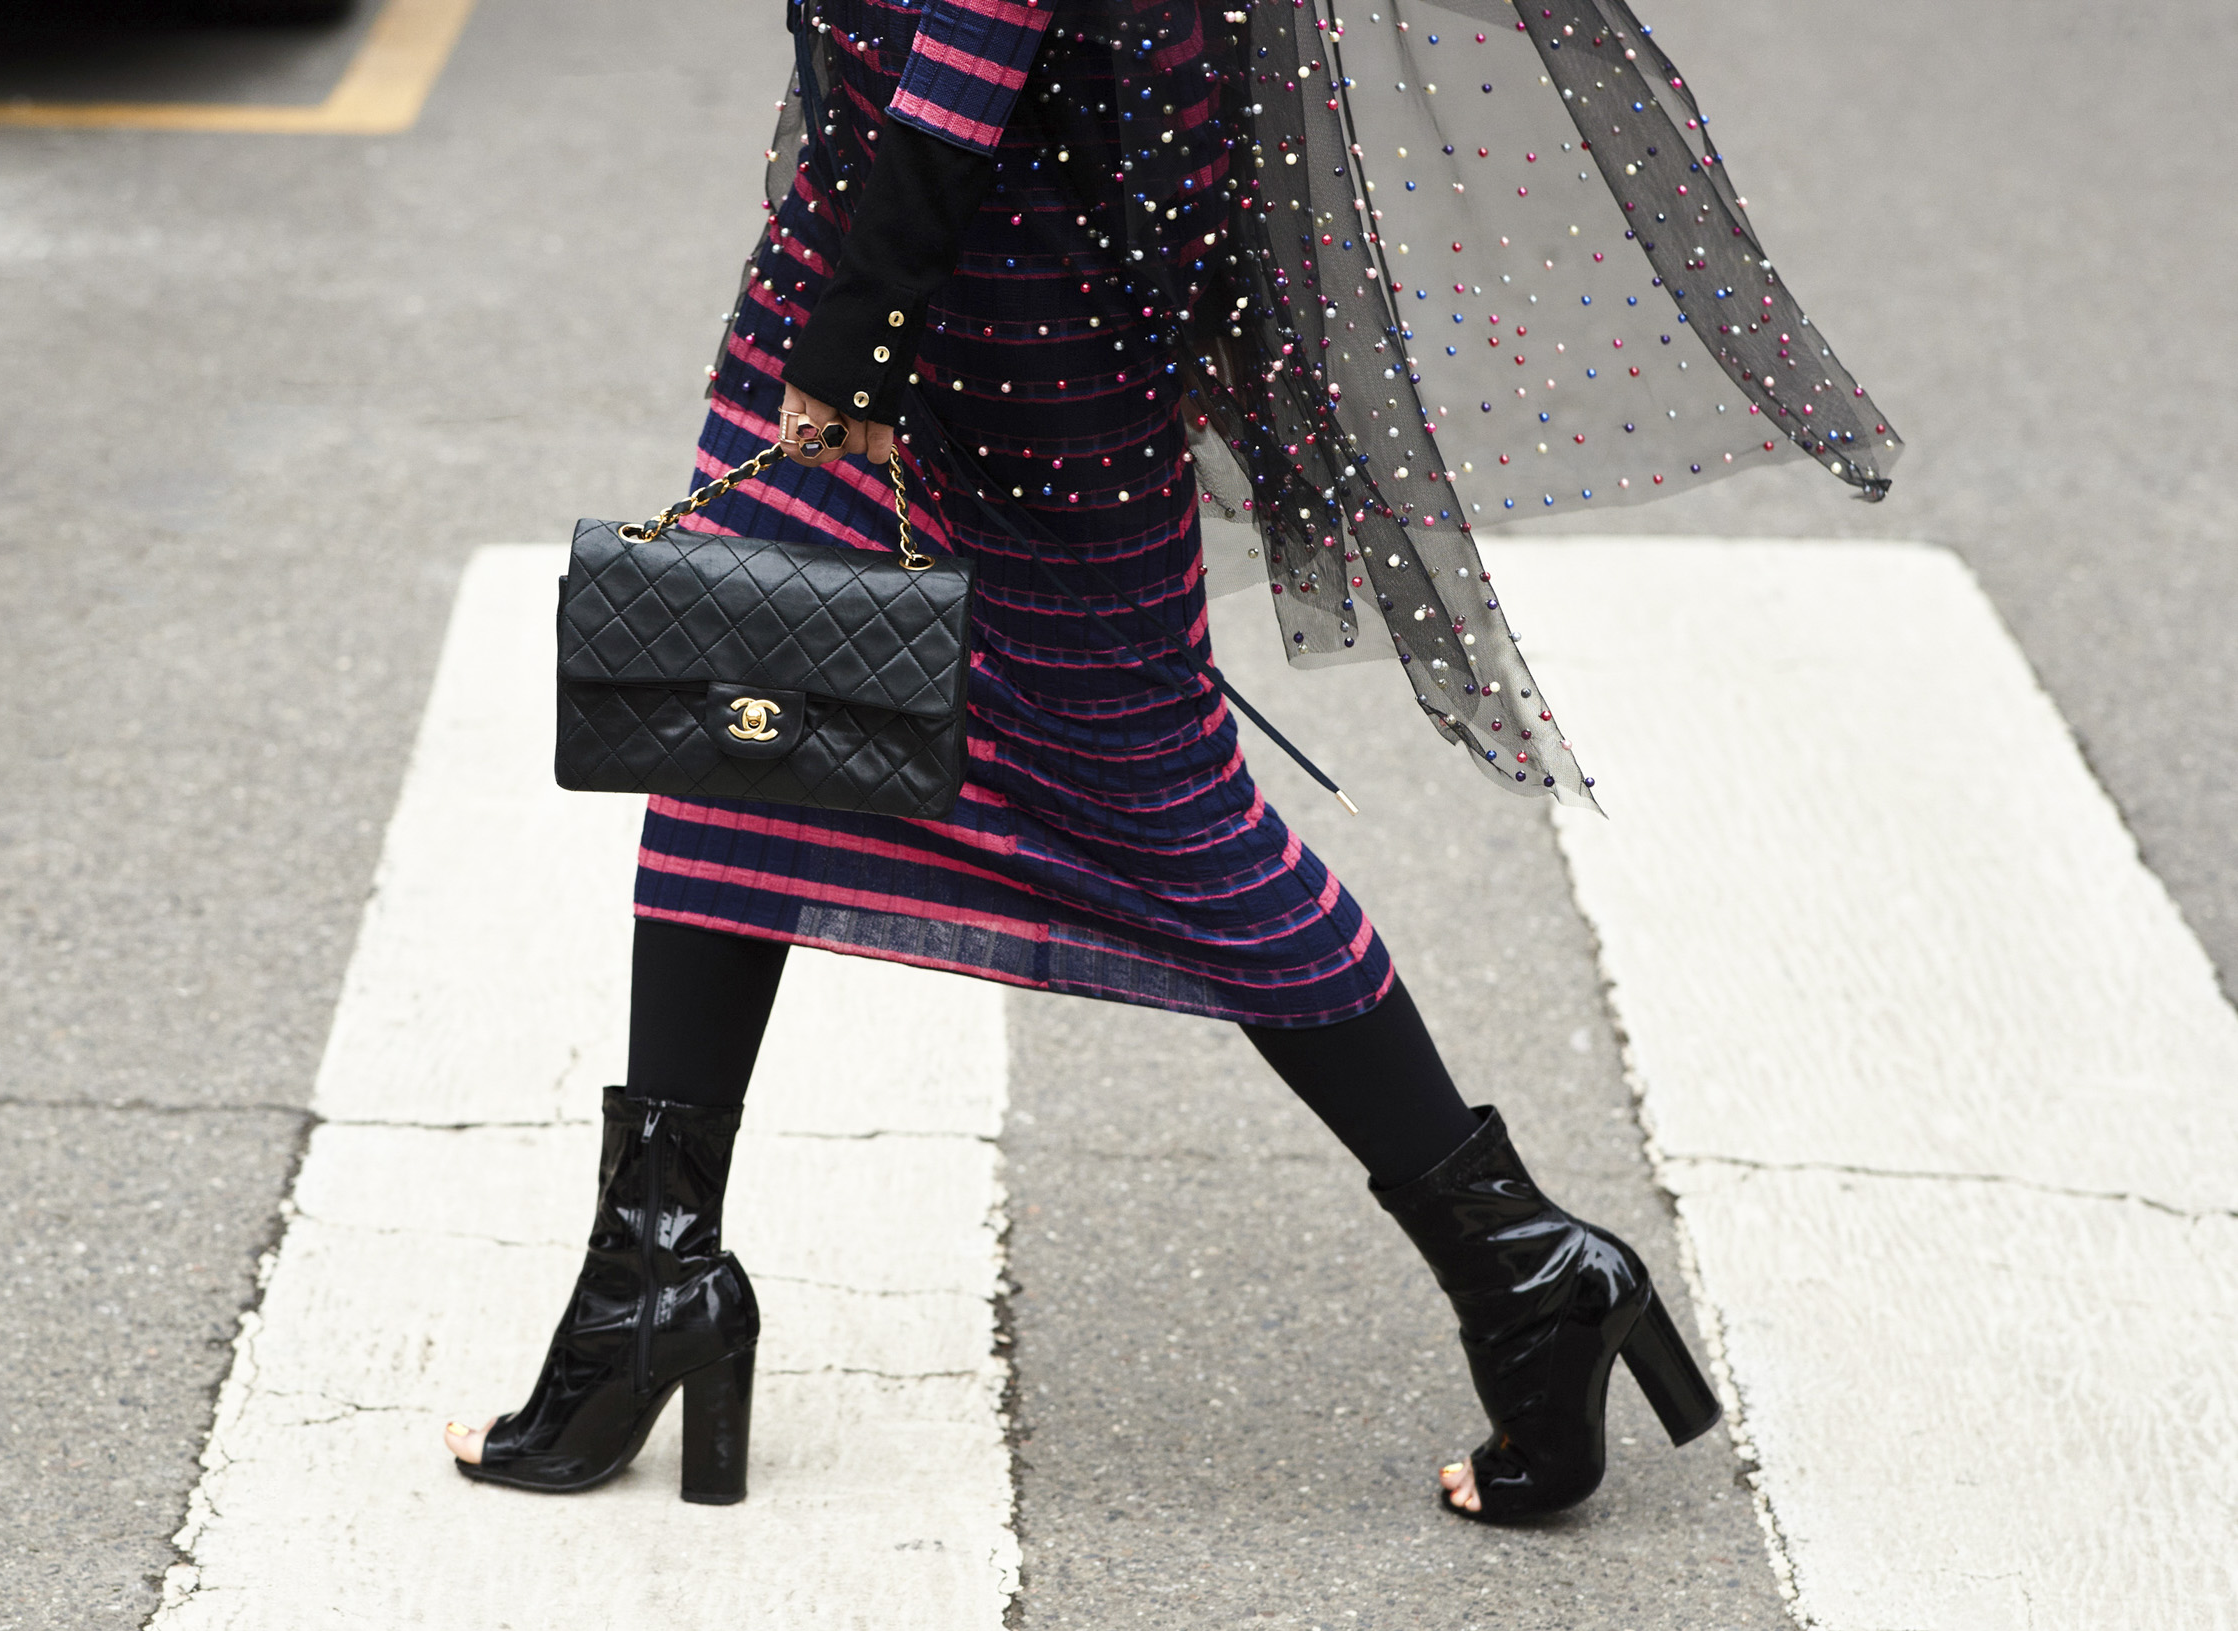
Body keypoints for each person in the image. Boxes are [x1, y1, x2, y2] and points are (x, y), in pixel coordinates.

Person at [447, 0, 1896, 1521]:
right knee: (731, 718)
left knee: (1160, 806)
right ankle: (650, 1276)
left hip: (997, 299)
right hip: (889, 232)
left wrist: (865, 327)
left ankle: (1524, 1265)